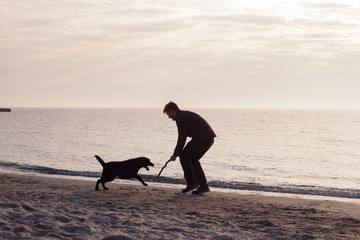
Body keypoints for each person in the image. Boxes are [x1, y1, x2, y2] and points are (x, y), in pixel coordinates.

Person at [163, 101, 216, 194]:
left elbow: (182, 137)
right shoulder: (183, 115)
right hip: (209, 138)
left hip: (202, 138)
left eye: (168, 114)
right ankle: (203, 186)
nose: (169, 117)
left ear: (172, 111)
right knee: (193, 159)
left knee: (184, 156)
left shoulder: (180, 117)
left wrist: (175, 154)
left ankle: (192, 183)